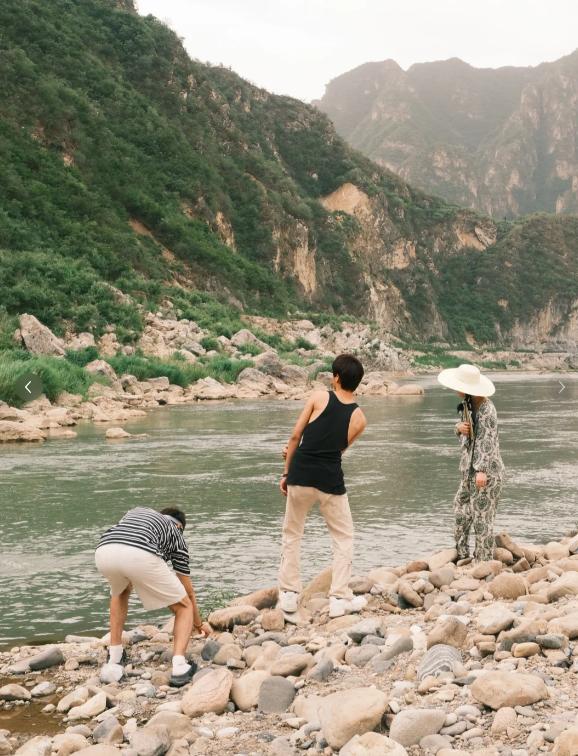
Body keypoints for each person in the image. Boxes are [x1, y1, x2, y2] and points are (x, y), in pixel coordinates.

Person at [277, 353, 368, 618]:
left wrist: (286, 471)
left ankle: (289, 596)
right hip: (330, 480)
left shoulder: (319, 397)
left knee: (292, 534)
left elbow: (296, 436)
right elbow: (338, 450)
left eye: (333, 374)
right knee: (343, 538)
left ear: (336, 377)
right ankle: (339, 598)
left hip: (301, 474)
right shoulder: (360, 417)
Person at [95, 506, 211, 687]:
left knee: (120, 592)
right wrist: (199, 624)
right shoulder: (177, 535)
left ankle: (115, 656)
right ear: (180, 527)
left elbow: (125, 535)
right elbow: (187, 590)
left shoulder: (137, 511)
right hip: (139, 553)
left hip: (105, 549)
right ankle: (180, 666)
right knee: (184, 606)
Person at [438, 364, 505, 563]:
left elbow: (487, 441)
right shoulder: (468, 405)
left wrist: (482, 471)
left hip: (487, 473)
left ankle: (483, 562)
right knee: (460, 509)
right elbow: (467, 439)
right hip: (468, 471)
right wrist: (458, 429)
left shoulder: (487, 410)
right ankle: (462, 553)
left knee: (482, 517)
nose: (455, 389)